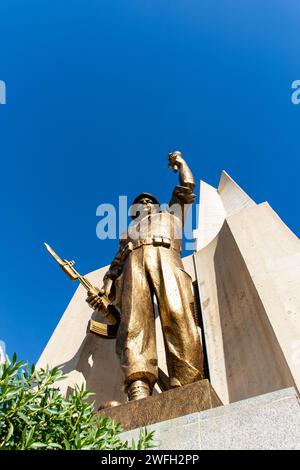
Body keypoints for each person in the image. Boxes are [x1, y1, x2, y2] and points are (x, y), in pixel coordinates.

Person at [86, 151, 204, 401]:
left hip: (166, 258)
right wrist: (106, 289)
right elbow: (115, 265)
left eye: (150, 200)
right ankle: (138, 386)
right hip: (133, 266)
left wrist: (181, 163)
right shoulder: (127, 233)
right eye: (141, 202)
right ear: (133, 210)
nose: (146, 203)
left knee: (178, 315)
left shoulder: (170, 214)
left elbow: (187, 186)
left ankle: (187, 383)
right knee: (133, 324)